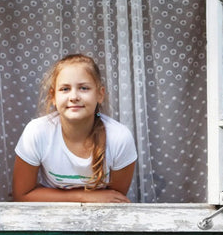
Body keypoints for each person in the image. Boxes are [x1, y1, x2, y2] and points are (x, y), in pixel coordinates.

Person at [12, 53, 137, 203]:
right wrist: (83, 197)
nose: (74, 96)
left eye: (84, 88)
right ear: (53, 96)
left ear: (100, 94)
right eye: (65, 89)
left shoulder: (119, 138)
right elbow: (22, 195)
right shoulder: (37, 132)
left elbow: (114, 199)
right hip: (50, 215)